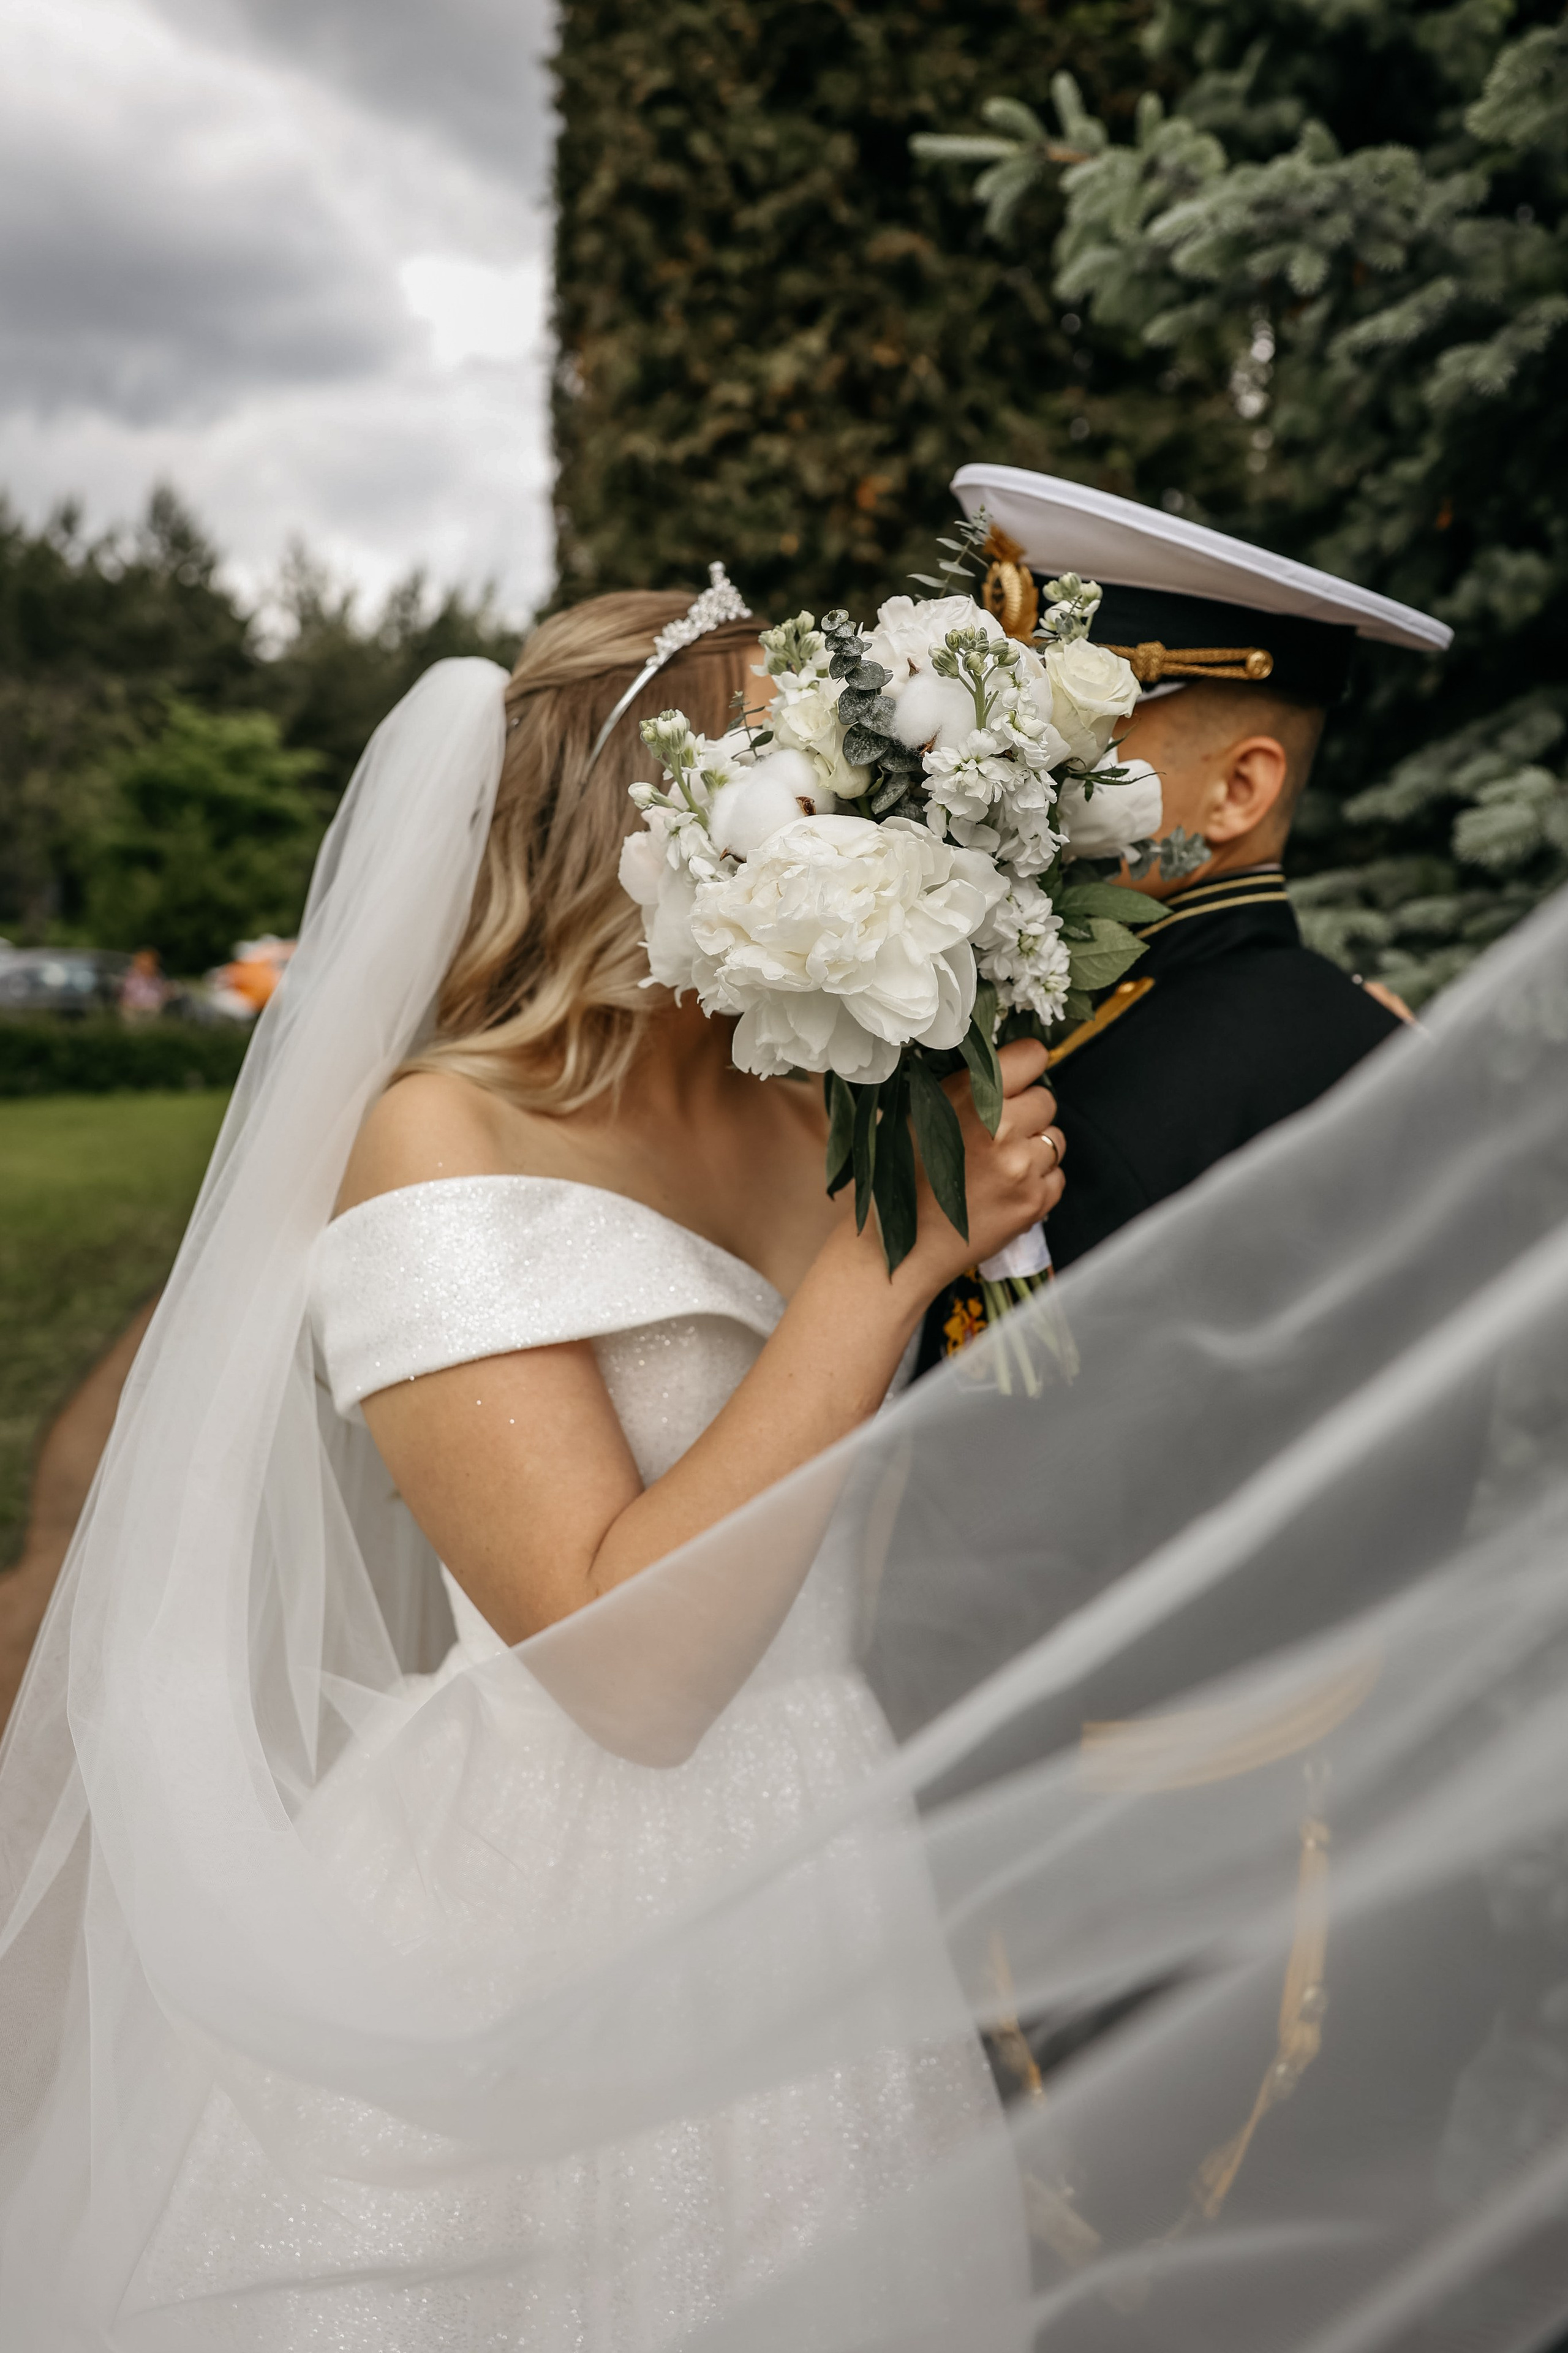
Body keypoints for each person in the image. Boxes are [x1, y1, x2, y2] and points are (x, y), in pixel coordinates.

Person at [0, 589, 1049, 2349]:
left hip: (821, 1846)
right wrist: (893, 1264)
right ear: (660, 827)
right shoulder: (441, 1130)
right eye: (809, 788)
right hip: (539, 1900)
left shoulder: (832, 1096)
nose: (860, 826)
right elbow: (620, 1673)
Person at [921, 466, 1449, 1370]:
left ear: (1238, 790)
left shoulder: (1087, 1116)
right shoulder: (1375, 1040)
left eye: (1085, 736)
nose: (1020, 763)